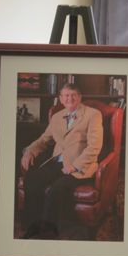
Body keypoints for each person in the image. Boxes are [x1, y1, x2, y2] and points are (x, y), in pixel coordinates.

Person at [20, 83, 103, 239]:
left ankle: (47, 234)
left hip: (80, 165)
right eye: (66, 95)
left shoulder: (93, 115)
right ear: (60, 98)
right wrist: (29, 151)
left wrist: (74, 166)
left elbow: (94, 147)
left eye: (73, 95)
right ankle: (32, 227)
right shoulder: (57, 117)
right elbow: (43, 140)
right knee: (32, 179)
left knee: (56, 190)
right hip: (57, 162)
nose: (69, 98)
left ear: (79, 97)